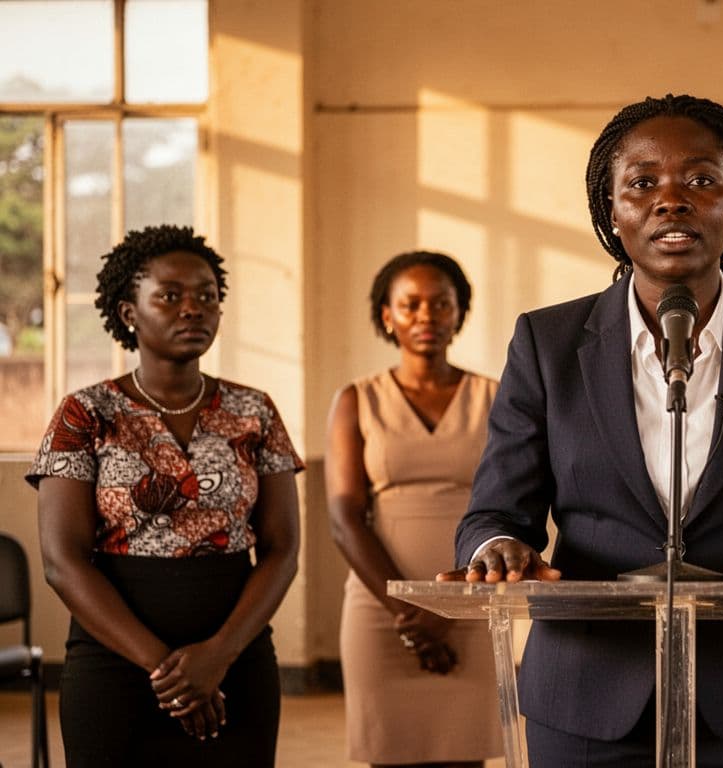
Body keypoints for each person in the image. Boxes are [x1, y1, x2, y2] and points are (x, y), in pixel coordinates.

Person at [451, 94, 723, 767]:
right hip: (586, 690)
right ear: (613, 211)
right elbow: (495, 510)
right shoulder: (547, 343)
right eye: (642, 183)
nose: (671, 201)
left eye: (700, 180)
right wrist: (498, 547)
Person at [27, 224, 303, 766]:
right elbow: (62, 562)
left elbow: (282, 549)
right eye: (170, 296)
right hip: (115, 662)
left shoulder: (255, 411)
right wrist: (172, 672)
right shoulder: (85, 413)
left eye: (207, 296)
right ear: (129, 312)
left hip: (237, 658)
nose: (193, 309)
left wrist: (217, 658)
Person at [326, 251, 501, 767]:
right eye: (411, 305)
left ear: (459, 313)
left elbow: (512, 508)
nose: (427, 316)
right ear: (387, 316)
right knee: (391, 753)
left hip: (473, 606)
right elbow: (343, 519)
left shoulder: (496, 397)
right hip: (381, 609)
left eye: (441, 304)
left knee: (465, 752)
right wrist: (410, 615)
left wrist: (449, 613)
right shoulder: (356, 399)